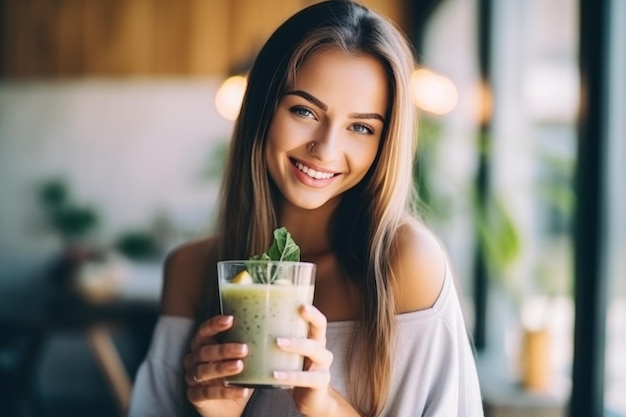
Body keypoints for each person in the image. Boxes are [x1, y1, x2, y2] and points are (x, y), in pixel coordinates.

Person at [127, 1, 484, 416]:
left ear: (384, 143)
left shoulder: (404, 266)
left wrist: (326, 407)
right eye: (304, 110)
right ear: (262, 108)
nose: (326, 149)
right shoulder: (192, 272)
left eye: (361, 127)